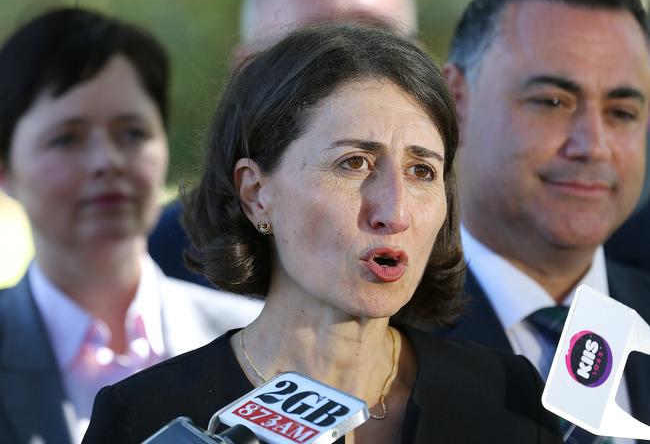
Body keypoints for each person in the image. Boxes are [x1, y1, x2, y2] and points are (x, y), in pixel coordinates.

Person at [83, 23, 562, 443]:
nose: (394, 211)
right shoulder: (144, 417)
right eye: (353, 164)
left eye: (421, 171)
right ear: (255, 192)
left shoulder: (507, 397)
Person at [0, 8, 263, 444]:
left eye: (132, 133)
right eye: (67, 138)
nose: (107, 162)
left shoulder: (254, 346)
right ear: (6, 168)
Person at [439, 0, 650, 441]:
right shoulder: (366, 338)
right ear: (456, 102)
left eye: (621, 112)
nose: (593, 144)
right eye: (553, 102)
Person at [148, 0, 418, 285]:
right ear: (247, 74)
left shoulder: (469, 263)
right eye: (312, 49)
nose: (354, 70)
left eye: (379, 44)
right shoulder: (157, 267)